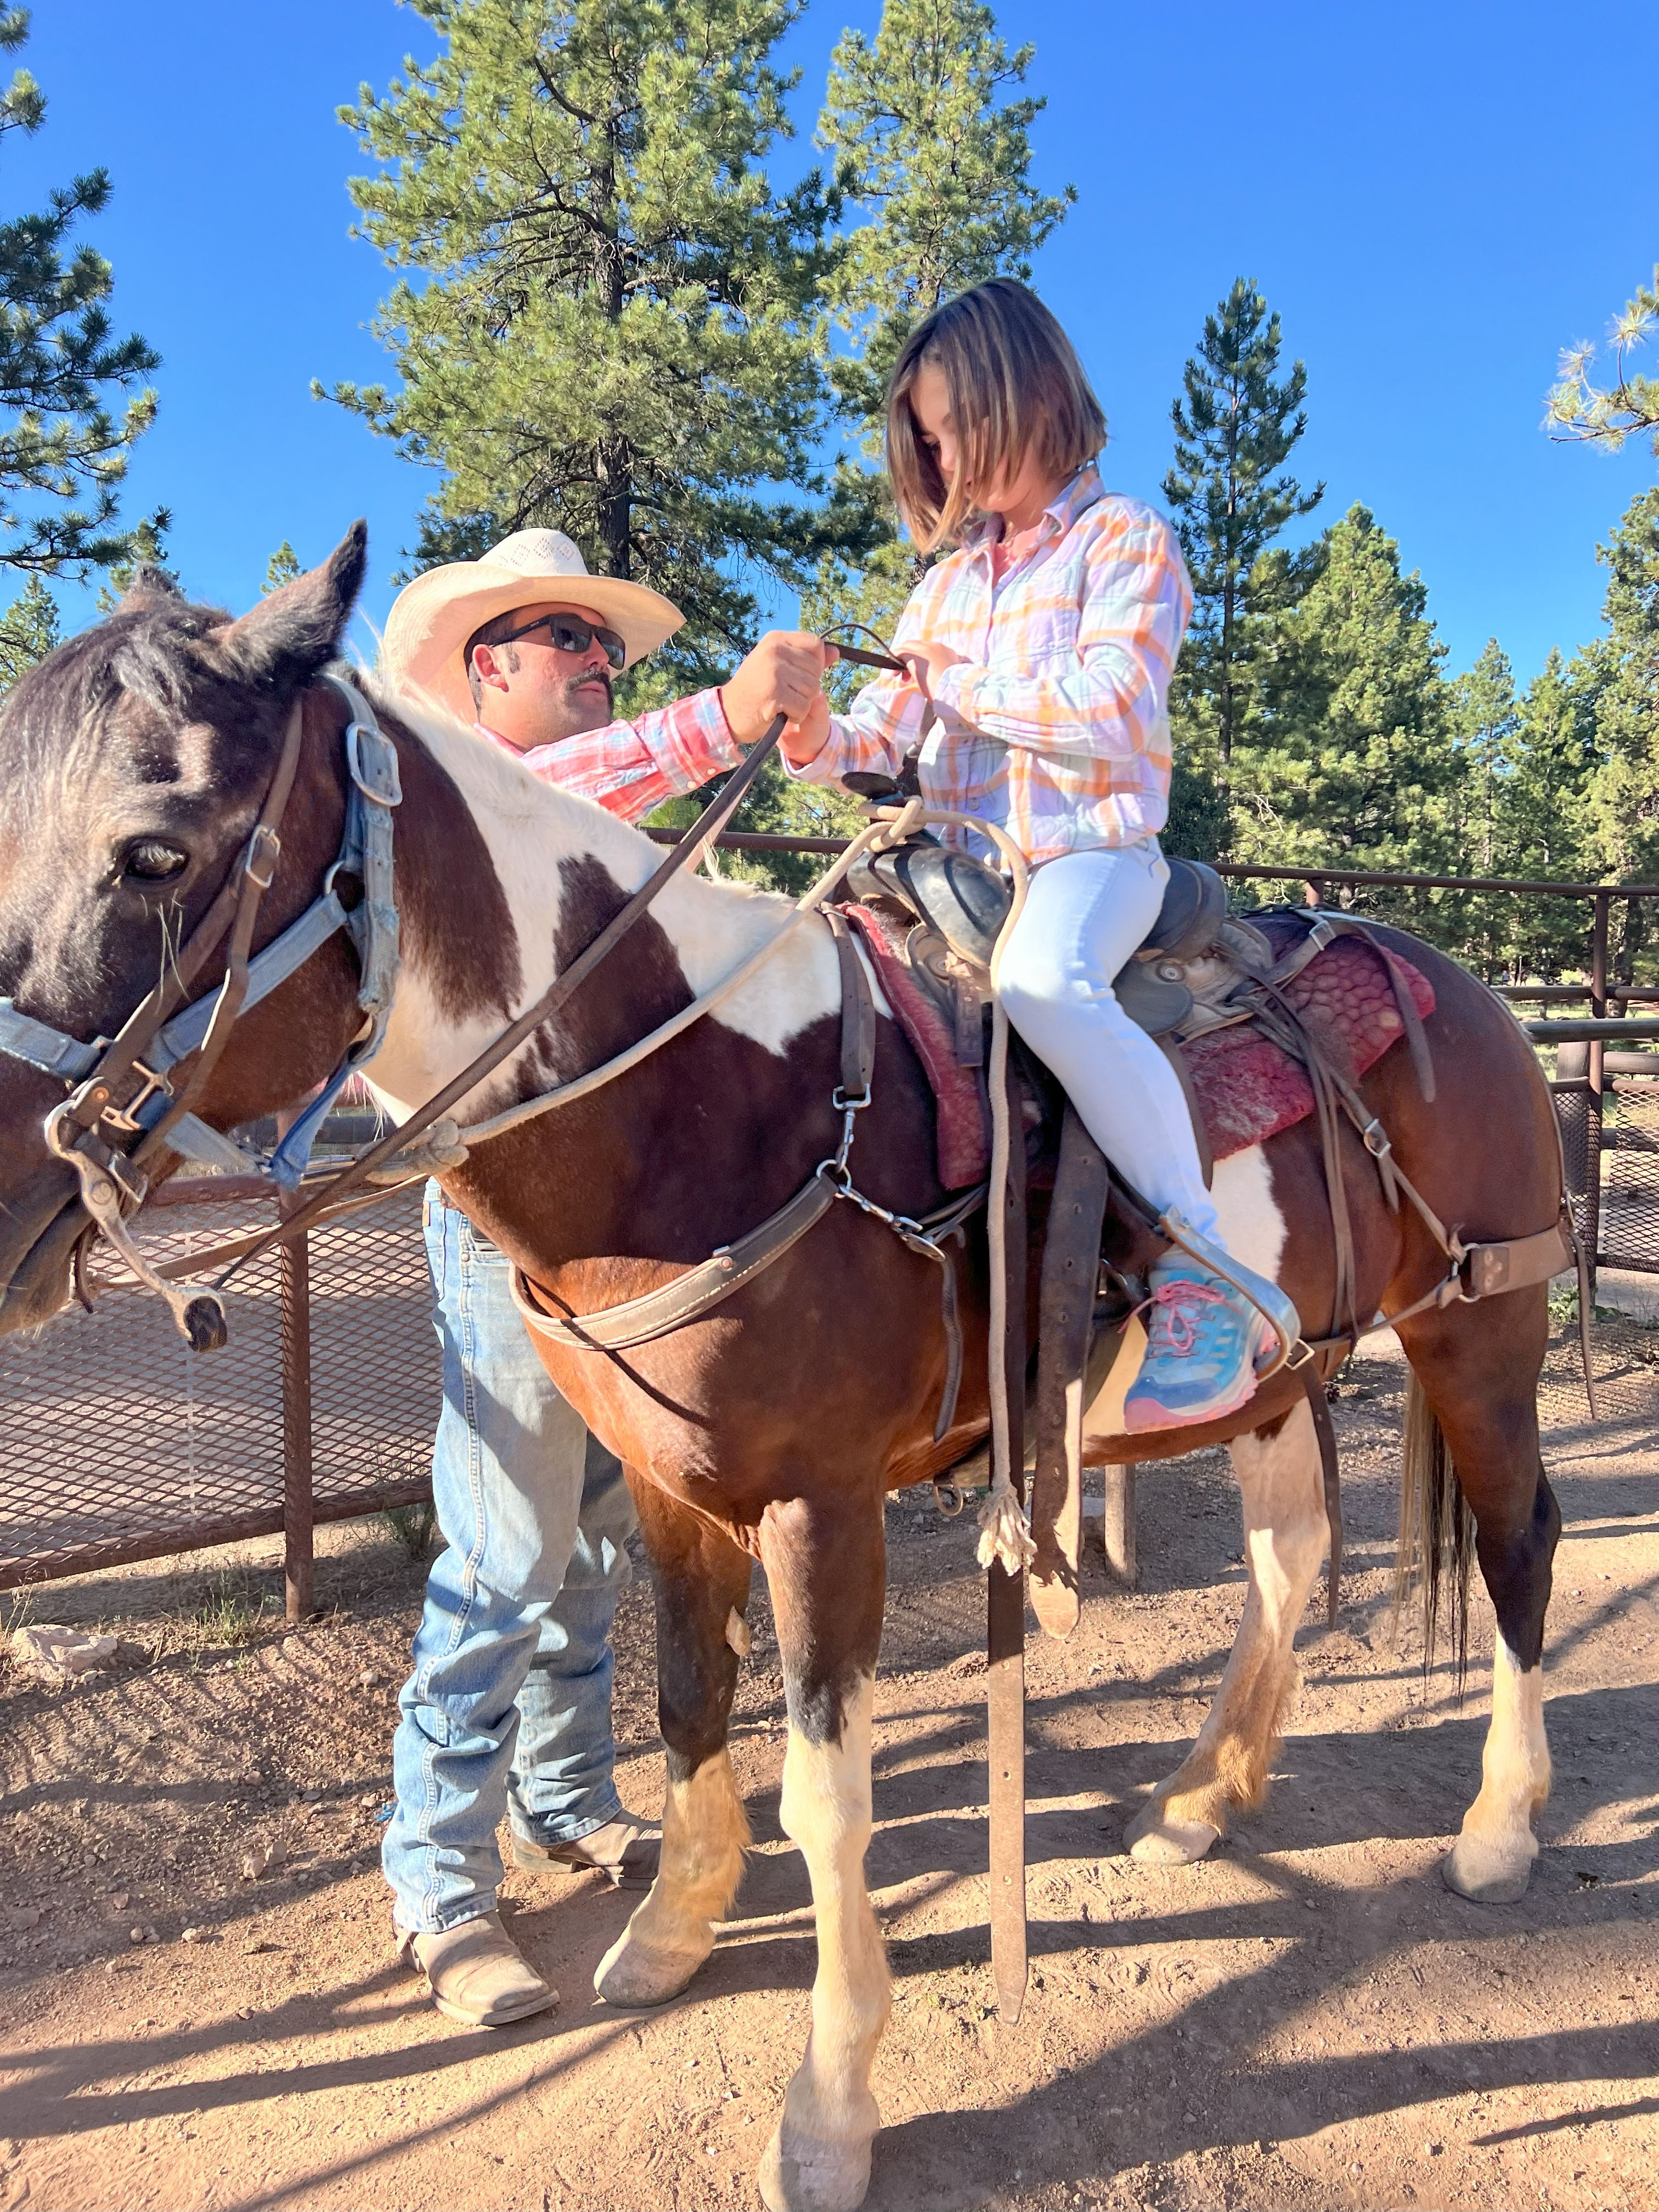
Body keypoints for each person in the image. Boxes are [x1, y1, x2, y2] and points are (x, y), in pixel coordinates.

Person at [377, 530, 825, 2025]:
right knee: (508, 1547)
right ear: (484, 664)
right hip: (506, 1220)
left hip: (614, 1213)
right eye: (563, 636)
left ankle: (563, 1801)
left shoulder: (594, 829)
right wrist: (722, 720)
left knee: (583, 1537)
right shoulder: (462, 794)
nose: (592, 659)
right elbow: (581, 790)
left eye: (601, 644)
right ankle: (438, 1883)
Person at [780, 277, 1276, 1432]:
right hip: (954, 872)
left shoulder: (1128, 541)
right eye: (928, 444)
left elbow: (1114, 705)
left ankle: (1209, 1275)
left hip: (1088, 857)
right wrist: (812, 732)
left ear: (1027, 397)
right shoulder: (941, 591)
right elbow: (883, 738)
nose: (941, 464)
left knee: (1045, 980)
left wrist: (965, 689)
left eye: (952, 432)